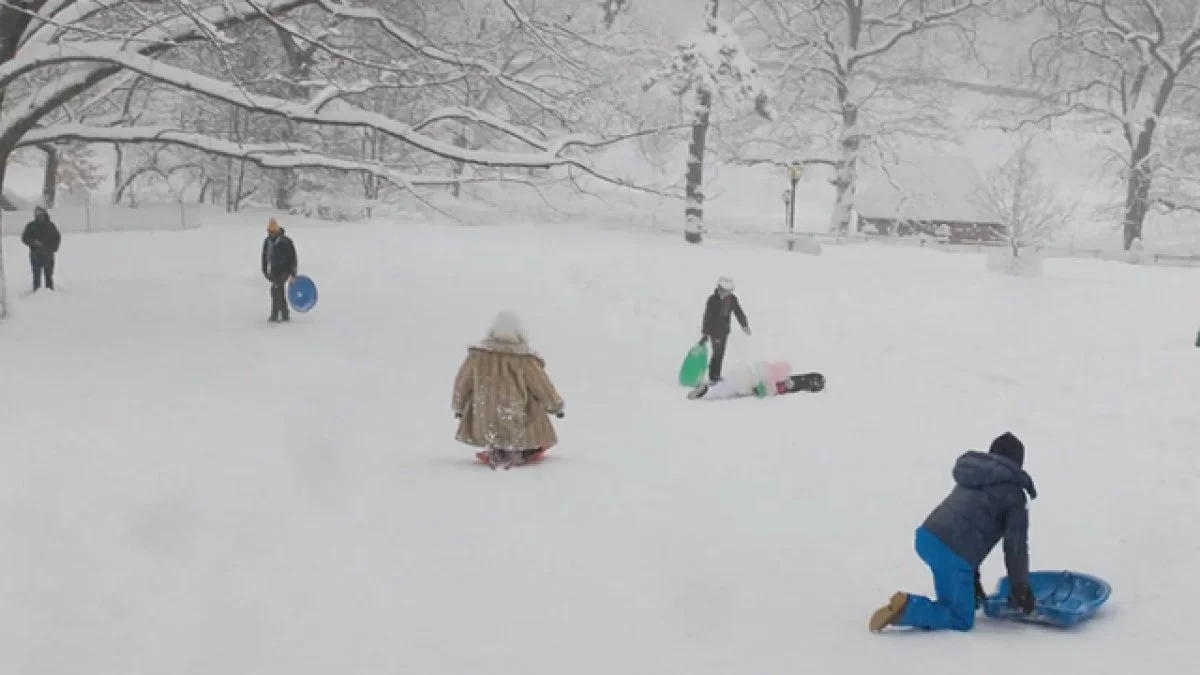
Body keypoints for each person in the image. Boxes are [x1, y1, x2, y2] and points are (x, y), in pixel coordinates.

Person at [869, 432, 1038, 632]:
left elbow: (970, 522)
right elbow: (1015, 546)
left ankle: (930, 603)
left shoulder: (977, 475)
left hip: (928, 537)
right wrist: (1019, 586)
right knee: (961, 618)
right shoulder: (1014, 496)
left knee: (952, 601)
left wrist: (972, 577)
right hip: (953, 553)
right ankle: (908, 609)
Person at [452, 311, 565, 469]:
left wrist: (459, 406)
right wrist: (556, 406)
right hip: (516, 417)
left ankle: (496, 449)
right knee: (528, 410)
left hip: (485, 417)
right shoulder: (524, 359)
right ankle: (519, 450)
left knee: (490, 416)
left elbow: (462, 384)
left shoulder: (477, 357)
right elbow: (542, 387)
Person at [699, 276, 750, 383]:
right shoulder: (712, 300)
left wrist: (744, 324)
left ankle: (716, 374)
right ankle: (714, 376)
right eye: (722, 291)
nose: (724, 294)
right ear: (718, 288)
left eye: (727, 292)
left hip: (724, 331)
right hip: (714, 331)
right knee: (717, 352)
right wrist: (705, 333)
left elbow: (738, 312)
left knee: (720, 353)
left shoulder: (732, 300)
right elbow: (707, 317)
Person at [261, 218, 298, 322]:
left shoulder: (286, 242)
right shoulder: (267, 242)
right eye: (269, 231)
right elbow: (264, 257)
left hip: (284, 271)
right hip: (273, 272)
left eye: (272, 232)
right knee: (279, 291)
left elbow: (293, 258)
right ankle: (285, 313)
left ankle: (275, 314)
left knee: (275, 291)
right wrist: (265, 271)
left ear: (277, 231)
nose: (270, 234)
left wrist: (292, 273)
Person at [21, 206, 62, 291]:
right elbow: (25, 238)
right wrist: (34, 242)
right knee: (36, 275)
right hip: (35, 254)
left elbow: (57, 237)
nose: (40, 216)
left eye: (41, 214)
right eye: (37, 214)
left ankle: (50, 291)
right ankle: (37, 292)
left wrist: (54, 248)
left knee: (49, 275)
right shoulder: (31, 226)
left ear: (45, 214)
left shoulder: (51, 226)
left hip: (48, 254)